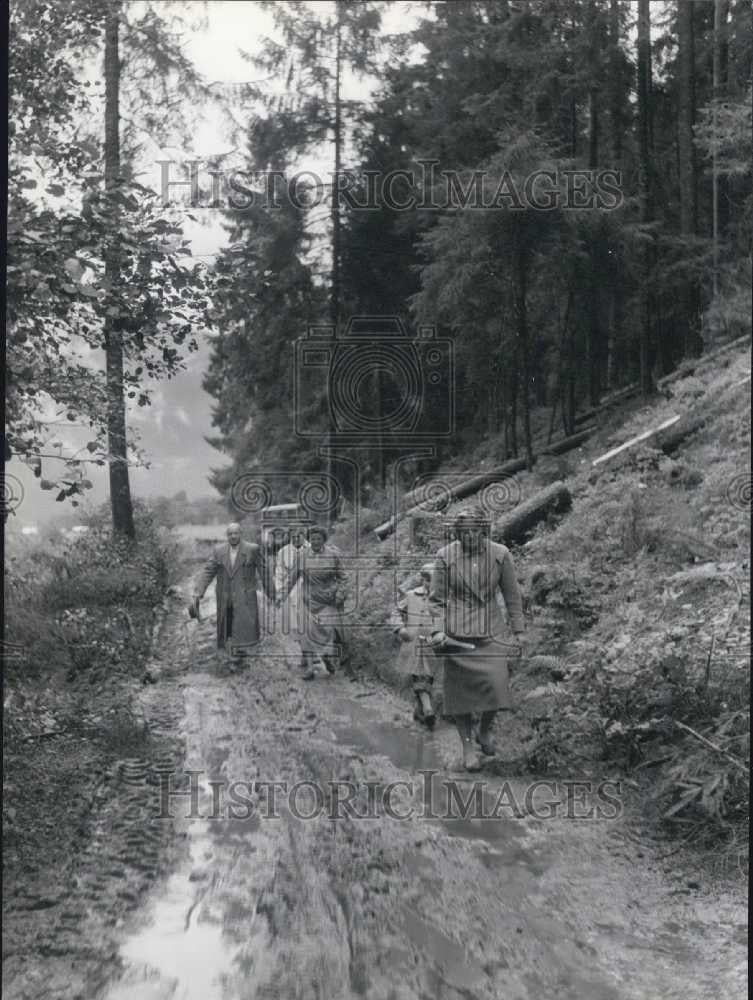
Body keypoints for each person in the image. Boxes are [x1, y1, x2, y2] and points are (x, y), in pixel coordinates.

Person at [428, 507, 525, 772]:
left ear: (483, 530)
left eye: (474, 531)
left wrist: (519, 631)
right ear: (456, 533)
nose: (469, 536)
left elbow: (512, 595)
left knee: (496, 685)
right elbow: (436, 601)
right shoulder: (445, 556)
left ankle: (484, 730)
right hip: (457, 634)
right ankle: (468, 747)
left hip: (491, 629)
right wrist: (437, 630)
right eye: (463, 532)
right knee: (460, 695)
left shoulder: (500, 554)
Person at [192, 522, 276, 669]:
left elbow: (264, 572)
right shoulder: (219, 551)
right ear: (227, 536)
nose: (233, 536)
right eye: (230, 534)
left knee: (242, 625)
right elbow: (208, 571)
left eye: (236, 533)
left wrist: (272, 593)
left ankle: (238, 653)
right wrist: (199, 592)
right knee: (228, 625)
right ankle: (232, 655)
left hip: (244, 594)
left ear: (241, 534)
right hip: (225, 595)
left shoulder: (252, 549)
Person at [279, 524, 348, 680]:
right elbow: (292, 579)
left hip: (328, 600)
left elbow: (343, 577)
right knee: (306, 634)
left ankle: (327, 657)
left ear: (324, 539)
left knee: (326, 631)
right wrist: (282, 594)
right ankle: (310, 668)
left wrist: (340, 594)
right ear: (309, 540)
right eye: (313, 539)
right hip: (308, 599)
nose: (316, 542)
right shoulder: (302, 556)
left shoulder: (333, 555)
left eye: (319, 539)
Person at [392, 563, 437, 728]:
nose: (429, 584)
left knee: (428, 677)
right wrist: (399, 628)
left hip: (433, 644)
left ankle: (419, 711)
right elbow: (395, 611)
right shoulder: (411, 595)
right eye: (426, 580)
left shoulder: (444, 599)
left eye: (432, 581)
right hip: (413, 642)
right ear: (422, 580)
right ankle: (428, 709)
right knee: (418, 675)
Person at [274, 525, 311, 665]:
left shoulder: (312, 548)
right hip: (291, 590)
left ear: (304, 535)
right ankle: (305, 654)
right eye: (293, 536)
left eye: (299, 536)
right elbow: (279, 573)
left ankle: (318, 655)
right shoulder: (283, 552)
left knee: (311, 624)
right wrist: (280, 592)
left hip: (310, 590)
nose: (296, 539)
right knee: (296, 625)